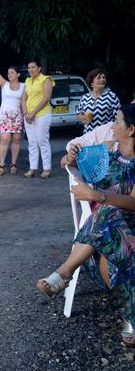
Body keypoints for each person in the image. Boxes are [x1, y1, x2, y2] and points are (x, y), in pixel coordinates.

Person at [38, 104, 135, 347]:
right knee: (105, 217)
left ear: (131, 129)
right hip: (103, 228)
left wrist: (97, 196)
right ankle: (130, 315)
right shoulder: (109, 149)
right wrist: (70, 156)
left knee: (106, 213)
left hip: (126, 225)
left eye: (118, 122)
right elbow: (66, 162)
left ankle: (64, 273)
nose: (112, 127)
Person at [0, 50, 25, 176]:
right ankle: (1, 164)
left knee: (16, 139)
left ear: (18, 74)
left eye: (12, 72)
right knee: (4, 139)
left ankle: (13, 164)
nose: (9, 74)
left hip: (17, 117)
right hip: (4, 117)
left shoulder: (24, 86)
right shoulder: (4, 84)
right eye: (8, 73)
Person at [21, 59, 55, 179]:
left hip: (42, 114)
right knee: (32, 143)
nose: (30, 70)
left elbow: (46, 98)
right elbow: (23, 99)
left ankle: (47, 169)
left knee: (42, 141)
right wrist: (26, 113)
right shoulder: (28, 80)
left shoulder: (46, 79)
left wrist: (33, 113)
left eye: (33, 67)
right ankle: (33, 168)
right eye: (29, 67)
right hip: (29, 116)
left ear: (39, 68)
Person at [77, 68, 121, 133]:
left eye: (103, 77)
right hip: (89, 135)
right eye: (99, 78)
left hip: (106, 135)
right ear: (91, 83)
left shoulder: (111, 96)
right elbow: (79, 114)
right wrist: (83, 118)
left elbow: (119, 116)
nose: (102, 79)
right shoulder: (85, 97)